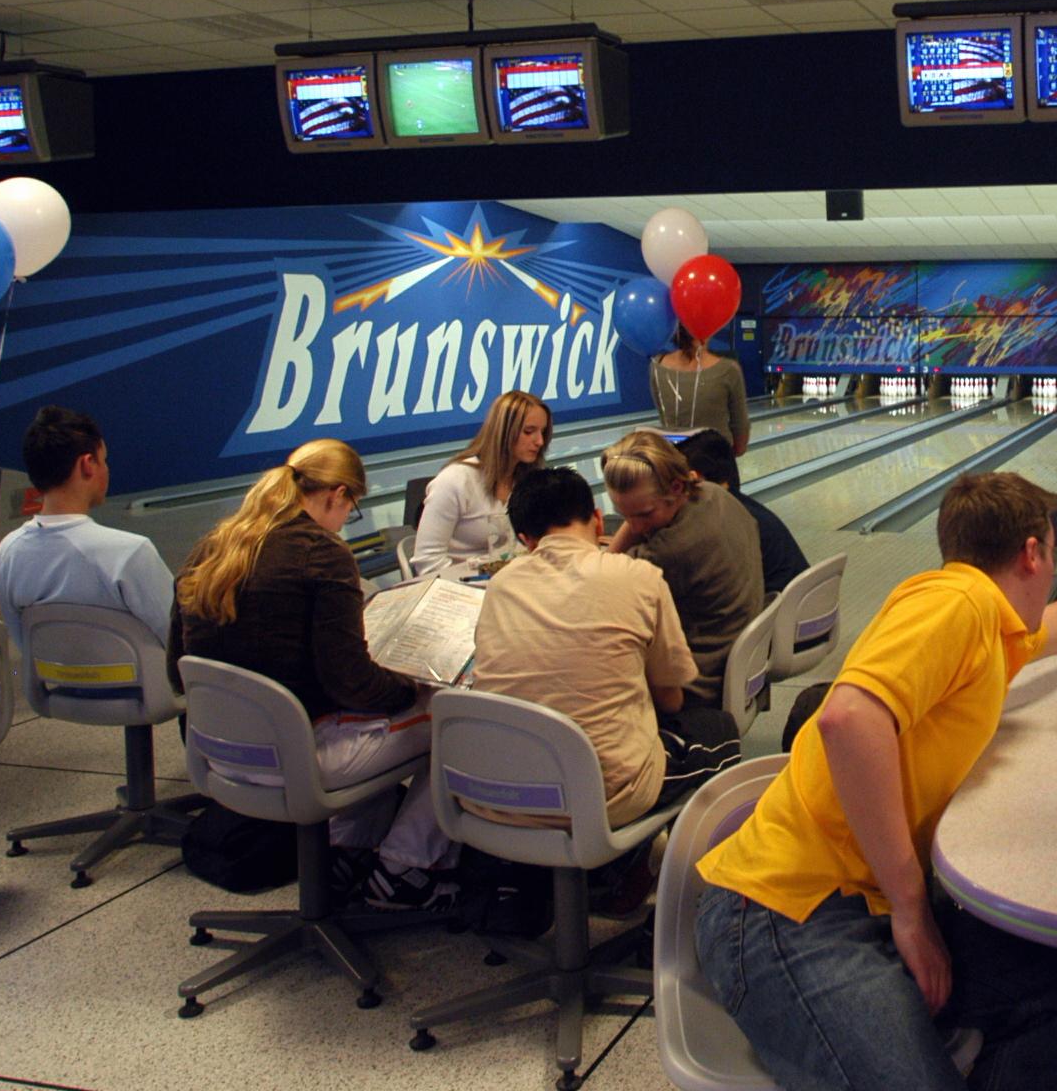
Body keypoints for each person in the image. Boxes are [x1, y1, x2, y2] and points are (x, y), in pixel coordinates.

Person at [694, 471, 1057, 1091]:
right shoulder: (956, 603)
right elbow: (847, 717)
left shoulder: (987, 620)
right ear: (1032, 552)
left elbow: (1056, 626)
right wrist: (913, 913)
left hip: (861, 900)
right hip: (783, 910)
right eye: (1054, 552)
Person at [166, 439, 455, 910]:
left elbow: (179, 674)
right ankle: (405, 867)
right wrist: (409, 687)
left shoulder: (211, 548)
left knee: (374, 719)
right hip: (300, 756)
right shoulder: (322, 554)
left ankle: (346, 848)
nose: (346, 519)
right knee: (450, 715)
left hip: (219, 754)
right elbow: (352, 684)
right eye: (352, 508)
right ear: (337, 494)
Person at [471, 466, 740, 828]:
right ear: (598, 520)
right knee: (718, 729)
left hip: (499, 797)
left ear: (526, 540)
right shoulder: (639, 576)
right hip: (603, 801)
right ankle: (639, 864)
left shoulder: (499, 586)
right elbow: (671, 699)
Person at [0, 406, 174, 653]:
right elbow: (178, 640)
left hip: (54, 690)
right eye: (104, 460)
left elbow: (26, 646)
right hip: (147, 691)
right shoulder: (130, 553)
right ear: (87, 464)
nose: (107, 469)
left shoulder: (6, 555)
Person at [602, 430, 762, 706]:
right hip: (738, 662)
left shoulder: (672, 551)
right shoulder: (713, 492)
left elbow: (603, 584)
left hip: (700, 682)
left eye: (644, 514)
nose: (635, 526)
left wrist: (609, 549)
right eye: (624, 516)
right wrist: (640, 514)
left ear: (676, 488)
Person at [413, 389, 549, 577]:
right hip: (461, 589)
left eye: (543, 432)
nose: (540, 441)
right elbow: (427, 561)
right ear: (503, 431)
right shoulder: (455, 480)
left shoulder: (528, 480)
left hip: (512, 582)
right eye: (529, 432)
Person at [679, 428, 809, 599]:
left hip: (778, 614)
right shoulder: (739, 503)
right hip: (802, 607)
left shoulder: (723, 519)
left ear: (697, 478)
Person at [653, 323, 749, 457]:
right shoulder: (729, 370)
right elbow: (740, 427)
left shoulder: (657, 365)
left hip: (675, 463)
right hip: (717, 461)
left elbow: (664, 417)